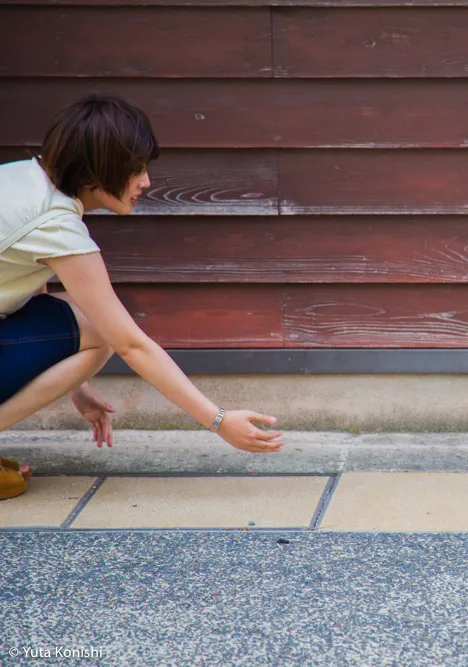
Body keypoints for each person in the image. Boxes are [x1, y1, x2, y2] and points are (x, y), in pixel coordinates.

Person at [0, 94, 283, 500]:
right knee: (104, 330)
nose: (146, 182)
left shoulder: (22, 181)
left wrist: (73, 384)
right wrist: (219, 421)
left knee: (87, 320)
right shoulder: (53, 224)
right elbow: (132, 344)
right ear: (100, 168)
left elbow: (30, 288)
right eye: (135, 170)